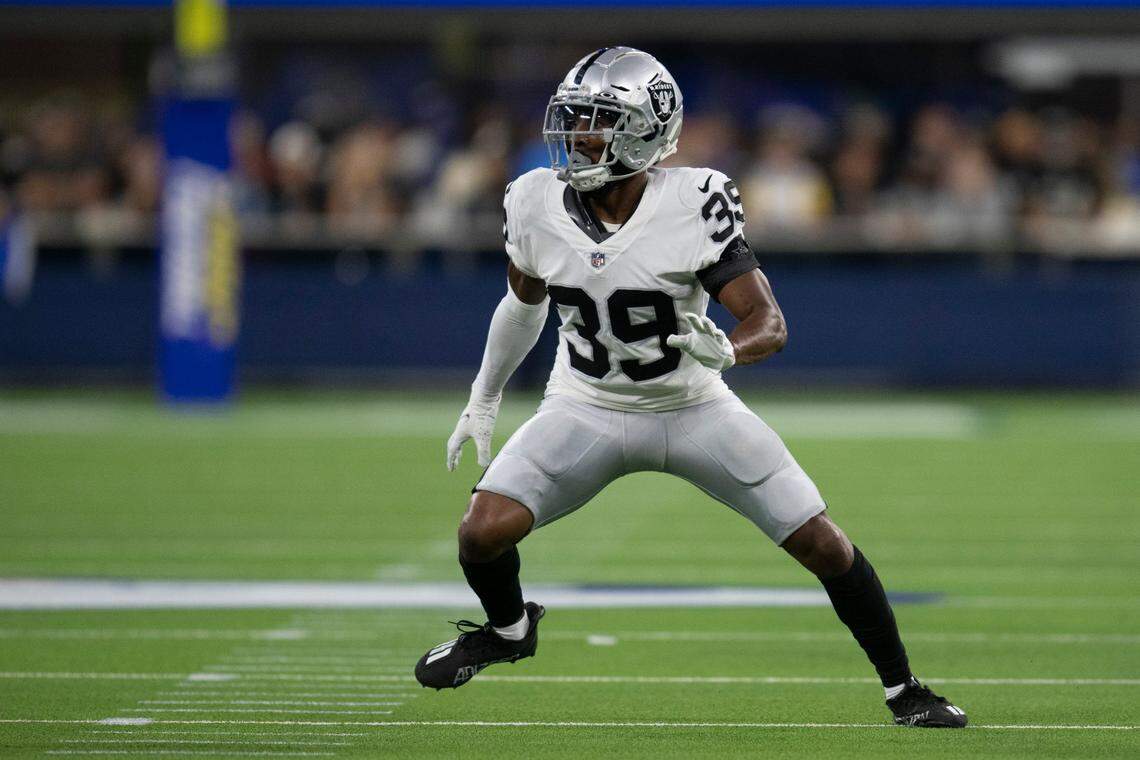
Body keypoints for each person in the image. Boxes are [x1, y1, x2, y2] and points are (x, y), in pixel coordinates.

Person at [413, 47, 967, 728]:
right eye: (574, 118)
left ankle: (905, 690)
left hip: (692, 405)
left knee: (823, 542)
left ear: (644, 129)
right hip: (585, 405)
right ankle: (508, 632)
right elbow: (523, 306)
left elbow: (770, 321)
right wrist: (486, 396)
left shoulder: (695, 198)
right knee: (481, 533)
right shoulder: (533, 200)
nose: (574, 136)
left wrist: (727, 350)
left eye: (594, 121)